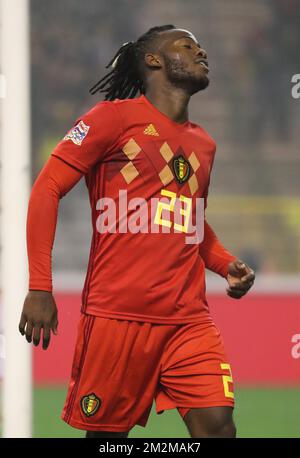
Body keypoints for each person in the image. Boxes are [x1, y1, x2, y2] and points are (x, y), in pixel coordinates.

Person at [19, 25, 255, 438]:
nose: (202, 52)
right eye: (188, 46)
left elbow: (188, 219)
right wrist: (40, 286)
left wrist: (223, 263)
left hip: (187, 320)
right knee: (107, 438)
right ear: (154, 60)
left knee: (218, 428)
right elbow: (47, 188)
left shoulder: (203, 145)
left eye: (200, 46)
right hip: (117, 318)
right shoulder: (112, 119)